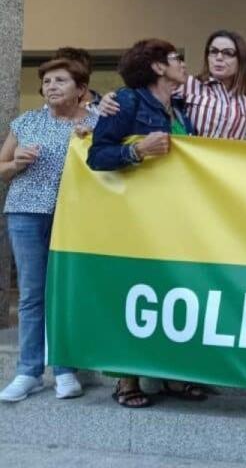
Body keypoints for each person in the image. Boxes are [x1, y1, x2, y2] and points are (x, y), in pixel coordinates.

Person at [87, 39, 201, 408]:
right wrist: (137, 151)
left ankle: (170, 375)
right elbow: (97, 155)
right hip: (136, 218)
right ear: (157, 67)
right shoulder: (127, 101)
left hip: (174, 216)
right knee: (133, 291)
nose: (183, 64)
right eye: (176, 59)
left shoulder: (180, 110)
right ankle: (126, 378)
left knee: (170, 292)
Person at [0, 57, 97, 403]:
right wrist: (15, 162)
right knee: (31, 293)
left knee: (66, 291)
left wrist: (93, 141)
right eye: (47, 81)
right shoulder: (26, 122)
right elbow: (1, 167)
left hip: (74, 216)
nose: (51, 86)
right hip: (25, 212)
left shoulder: (96, 122)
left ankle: (64, 367)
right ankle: (28, 371)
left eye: (61, 80)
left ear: (81, 90)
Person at [100, 30, 246, 141]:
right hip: (190, 169)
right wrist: (106, 101)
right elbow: (145, 94)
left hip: (227, 175)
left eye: (227, 53)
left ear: (241, 60)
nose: (219, 57)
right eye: (213, 51)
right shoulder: (188, 84)